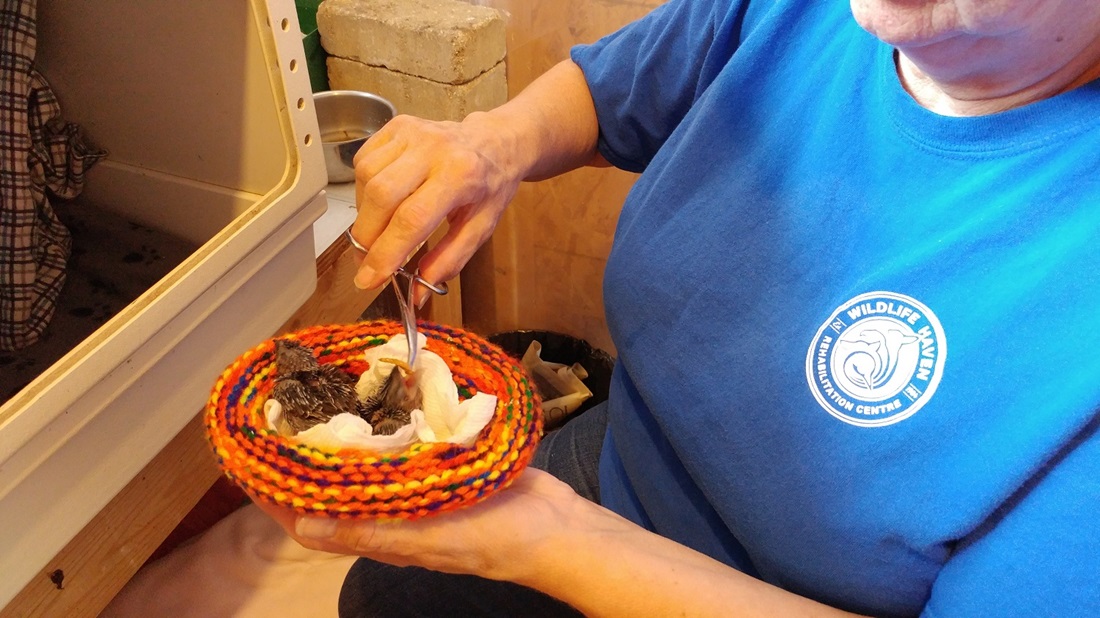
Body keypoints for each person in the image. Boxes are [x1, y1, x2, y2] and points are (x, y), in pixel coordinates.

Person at [259, 0, 1100, 615]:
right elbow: (608, 89)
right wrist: (494, 141)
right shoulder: (795, 16)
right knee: (377, 597)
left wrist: (550, 545)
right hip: (620, 462)